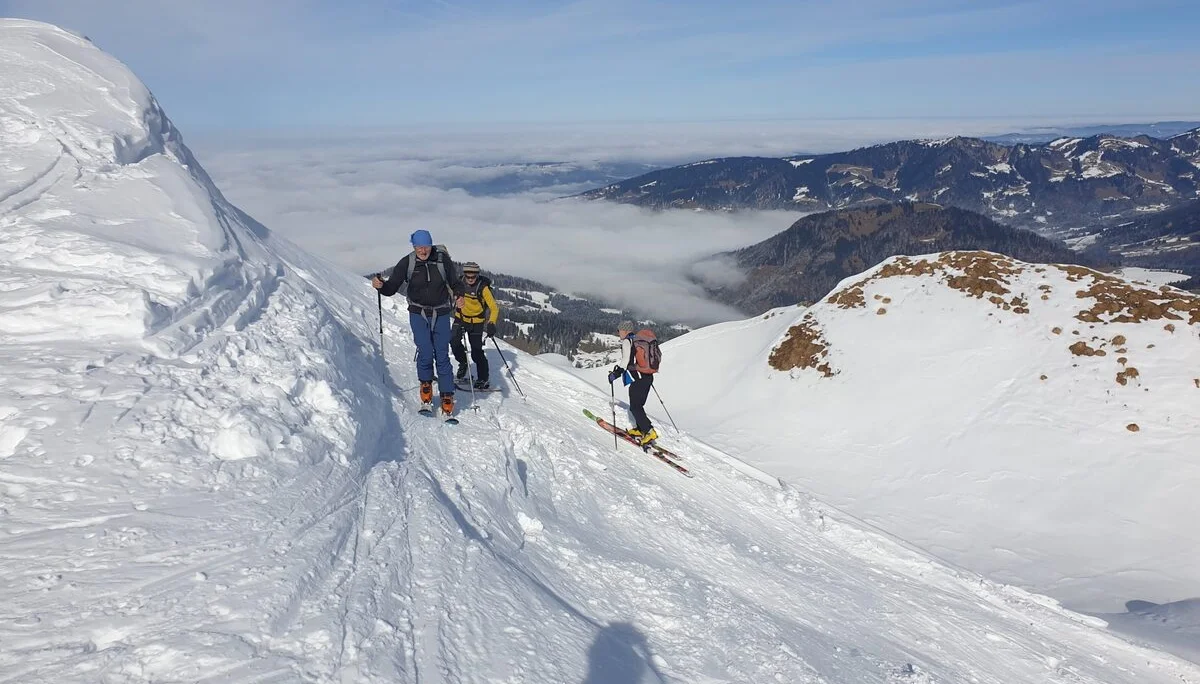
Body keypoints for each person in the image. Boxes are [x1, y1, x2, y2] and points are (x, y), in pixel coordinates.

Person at [372, 230, 465, 415]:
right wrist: (381, 286)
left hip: (442, 312)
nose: (423, 251)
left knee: (442, 354)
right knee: (425, 350)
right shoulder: (408, 262)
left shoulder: (442, 260)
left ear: (431, 245)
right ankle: (426, 386)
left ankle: (447, 394)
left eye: (426, 246)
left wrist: (459, 295)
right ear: (413, 247)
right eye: (419, 247)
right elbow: (391, 288)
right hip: (418, 311)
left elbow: (455, 282)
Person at [607, 321, 660, 446]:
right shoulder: (636, 340)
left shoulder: (627, 341)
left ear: (625, 331)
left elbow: (625, 361)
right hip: (646, 377)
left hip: (638, 379)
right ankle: (640, 429)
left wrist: (616, 374)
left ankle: (649, 431)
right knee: (638, 405)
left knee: (635, 407)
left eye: (619, 330)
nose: (618, 332)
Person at [451, 261, 500, 390]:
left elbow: (494, 308)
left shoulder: (483, 288)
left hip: (476, 322)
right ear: (464, 275)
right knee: (454, 342)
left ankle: (483, 378)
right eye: (468, 276)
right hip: (460, 318)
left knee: (476, 352)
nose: (470, 279)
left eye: (473, 276)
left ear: (477, 275)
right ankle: (463, 363)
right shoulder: (459, 283)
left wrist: (491, 323)